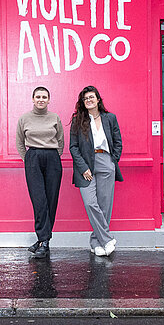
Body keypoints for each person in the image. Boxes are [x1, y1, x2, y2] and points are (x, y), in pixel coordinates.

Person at [69, 85, 123, 257]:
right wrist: (83, 167)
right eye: (85, 99)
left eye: (92, 97)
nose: (89, 100)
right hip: (86, 164)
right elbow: (73, 147)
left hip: (106, 161)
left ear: (98, 99)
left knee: (105, 205)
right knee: (91, 203)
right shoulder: (78, 120)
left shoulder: (110, 118)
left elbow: (118, 142)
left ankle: (95, 242)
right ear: (82, 103)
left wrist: (112, 161)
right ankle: (107, 239)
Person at [16, 86, 65, 259]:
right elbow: (20, 143)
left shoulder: (54, 118)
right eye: (38, 96)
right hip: (33, 157)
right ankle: (44, 239)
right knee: (39, 200)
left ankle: (43, 241)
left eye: (44, 97)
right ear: (33, 98)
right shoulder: (24, 118)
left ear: (49, 100)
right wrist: (28, 160)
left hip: (52, 158)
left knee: (51, 200)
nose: (41, 99)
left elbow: (60, 140)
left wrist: (53, 156)